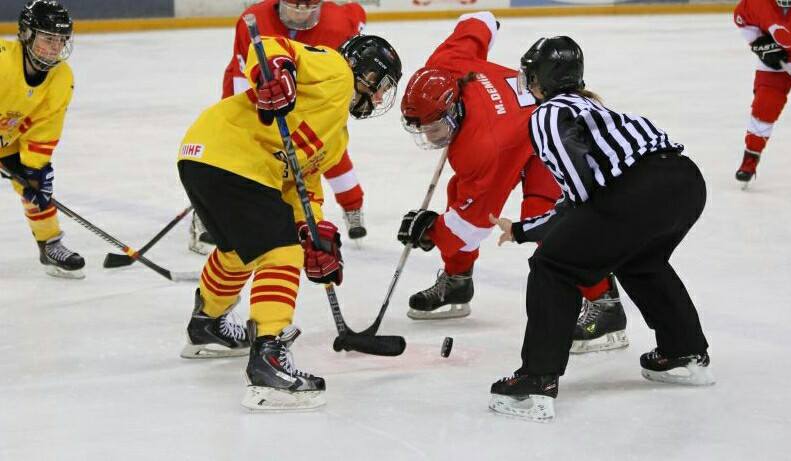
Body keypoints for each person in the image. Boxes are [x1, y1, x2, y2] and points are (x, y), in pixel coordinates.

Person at [488, 36, 714, 422]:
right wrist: (527, 228)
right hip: (686, 182)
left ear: (539, 78)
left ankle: (535, 382)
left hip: (638, 192)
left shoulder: (548, 114)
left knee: (554, 267)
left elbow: (582, 196)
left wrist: (529, 232)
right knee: (641, 260)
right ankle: (683, 353)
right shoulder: (592, 106)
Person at [176, 33, 401, 411]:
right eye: (381, 87)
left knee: (241, 251)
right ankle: (269, 359)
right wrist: (277, 71)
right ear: (365, 73)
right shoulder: (336, 70)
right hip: (230, 155)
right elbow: (269, 45)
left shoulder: (336, 136)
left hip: (206, 156)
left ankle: (206, 325)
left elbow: (303, 186)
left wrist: (313, 232)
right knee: (280, 252)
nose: (379, 98)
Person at [396, 11, 625, 353]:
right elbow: (480, 21)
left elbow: (474, 225)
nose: (430, 137)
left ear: (453, 109)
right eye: (421, 128)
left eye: (435, 127)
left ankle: (605, 305)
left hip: (547, 137)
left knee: (544, 217)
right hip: (517, 126)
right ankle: (458, 282)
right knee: (459, 192)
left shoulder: (482, 146)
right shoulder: (445, 63)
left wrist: (432, 233)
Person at [189, 0, 369, 255]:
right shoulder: (253, 19)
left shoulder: (338, 24)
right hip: (256, 87)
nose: (299, 16)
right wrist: (260, 114)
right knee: (231, 154)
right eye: (293, 8)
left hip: (309, 94)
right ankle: (208, 213)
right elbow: (243, 84)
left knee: (322, 151)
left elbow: (356, 15)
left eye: (308, 10)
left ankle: (353, 205)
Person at [0, 0, 84, 279]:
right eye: (48, 38)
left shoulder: (61, 77)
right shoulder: (2, 60)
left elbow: (45, 127)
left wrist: (35, 169)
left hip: (8, 137)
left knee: (35, 186)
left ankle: (49, 244)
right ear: (26, 34)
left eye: (61, 40)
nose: (55, 47)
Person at [733, 0, 791, 184]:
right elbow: (743, 20)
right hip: (775, 64)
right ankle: (750, 160)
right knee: (763, 109)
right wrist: (760, 44)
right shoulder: (755, 3)